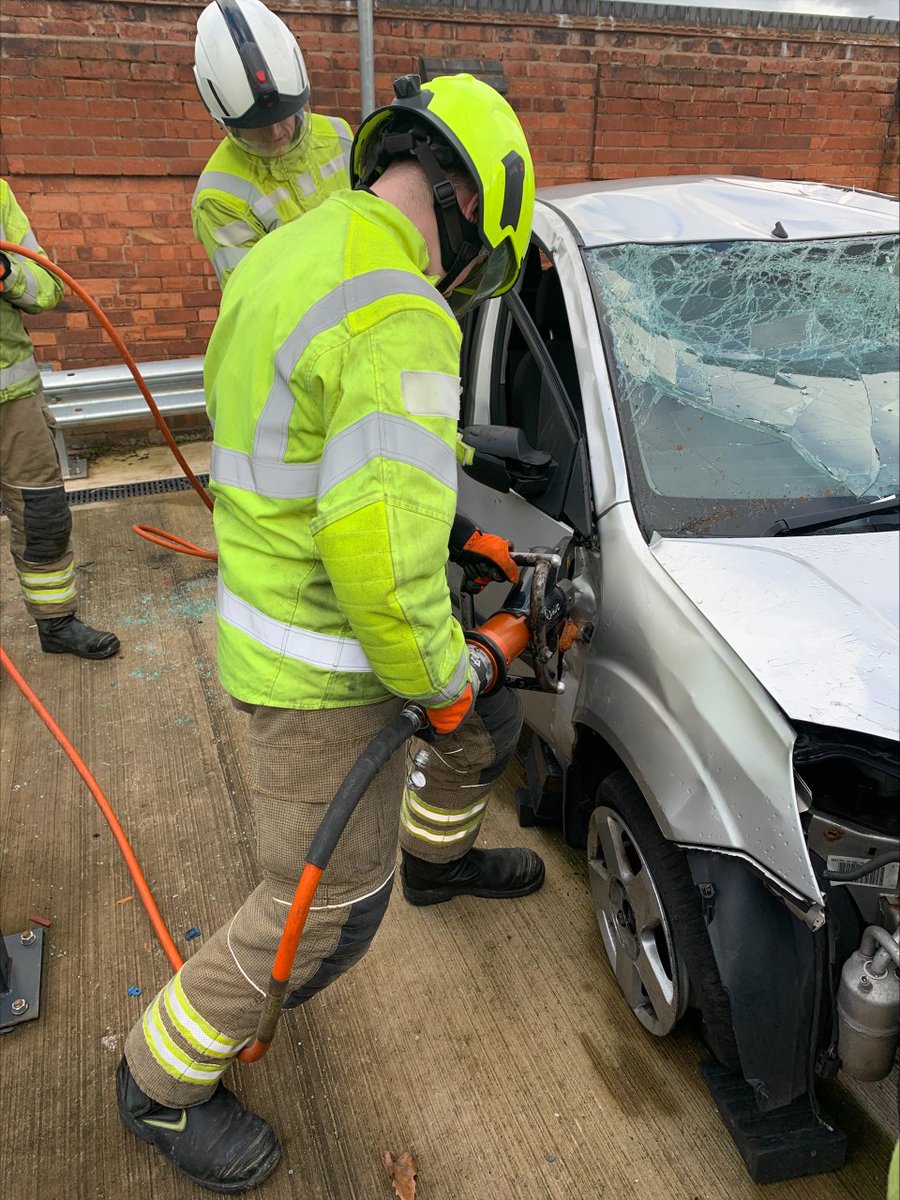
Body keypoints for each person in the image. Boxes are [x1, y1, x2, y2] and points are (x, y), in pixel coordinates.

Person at [115, 71, 538, 1192]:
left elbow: (310, 442)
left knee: (479, 736)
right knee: (327, 913)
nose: (463, 286)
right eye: (481, 264)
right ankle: (157, 1081)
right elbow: (382, 577)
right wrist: (447, 674)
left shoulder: (287, 255)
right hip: (323, 668)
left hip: (276, 608)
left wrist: (452, 535)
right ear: (471, 201)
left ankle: (439, 862)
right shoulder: (400, 311)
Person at [0, 180, 120, 660]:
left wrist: (6, 272)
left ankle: (56, 624)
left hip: (13, 396)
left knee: (42, 514)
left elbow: (48, 287)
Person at [191, 0, 353, 287]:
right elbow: (256, 296)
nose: (275, 131)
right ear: (227, 124)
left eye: (284, 115)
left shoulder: (337, 135)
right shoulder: (219, 196)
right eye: (257, 125)